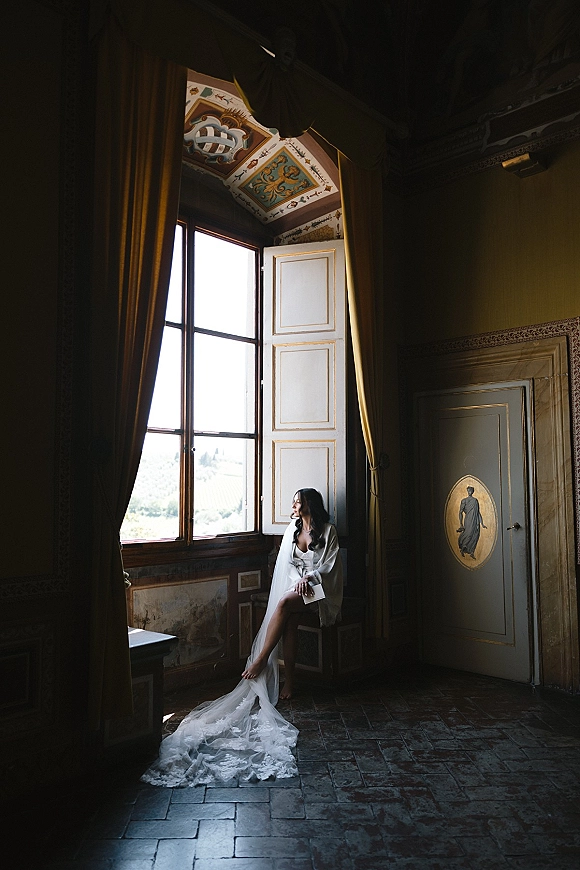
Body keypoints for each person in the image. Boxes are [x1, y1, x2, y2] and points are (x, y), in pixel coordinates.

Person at [140, 488, 343, 788]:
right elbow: (284, 567)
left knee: (286, 606)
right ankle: (290, 680)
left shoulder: (328, 531)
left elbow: (329, 568)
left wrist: (306, 580)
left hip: (318, 590)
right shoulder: (293, 528)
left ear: (309, 504)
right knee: (288, 618)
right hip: (295, 589)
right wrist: (293, 585)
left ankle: (261, 659)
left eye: (297, 501)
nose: (292, 505)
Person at [457, 485, 486, 559]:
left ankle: (472, 552)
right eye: (469, 490)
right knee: (469, 534)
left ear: (472, 492)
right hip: (469, 520)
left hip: (475, 520)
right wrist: (461, 524)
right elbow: (460, 512)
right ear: (467, 491)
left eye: (471, 490)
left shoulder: (475, 501)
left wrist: (482, 523)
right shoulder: (464, 500)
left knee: (475, 535)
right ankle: (463, 548)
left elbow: (478, 512)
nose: (470, 492)